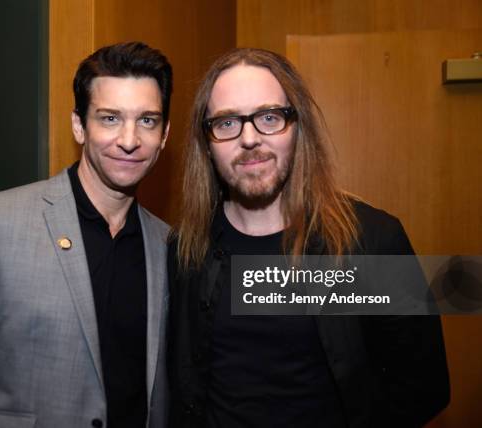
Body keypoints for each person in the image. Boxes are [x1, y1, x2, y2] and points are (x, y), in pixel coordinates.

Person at [167, 48, 450, 428]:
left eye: (269, 117)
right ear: (207, 141)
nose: (249, 139)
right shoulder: (187, 249)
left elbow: (423, 387)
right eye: (227, 122)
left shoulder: (371, 241)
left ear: (298, 127)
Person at [0, 41, 172, 428]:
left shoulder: (170, 247)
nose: (129, 140)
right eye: (110, 118)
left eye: (147, 120)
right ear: (79, 126)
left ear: (164, 134)